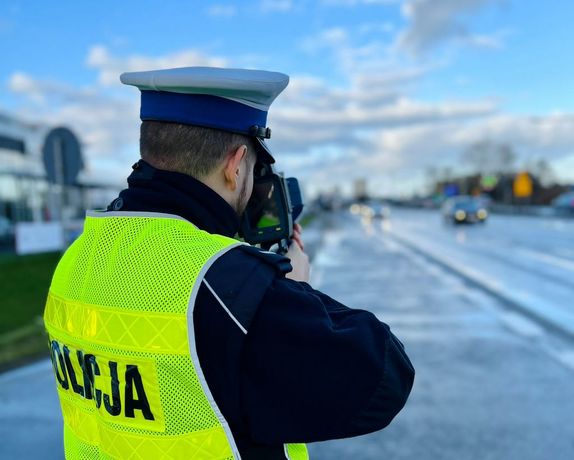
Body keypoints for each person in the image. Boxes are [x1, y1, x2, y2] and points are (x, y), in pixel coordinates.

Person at [43, 67, 415, 460]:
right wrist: (295, 288)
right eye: (253, 169)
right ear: (235, 165)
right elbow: (386, 378)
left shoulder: (77, 258)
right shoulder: (226, 286)